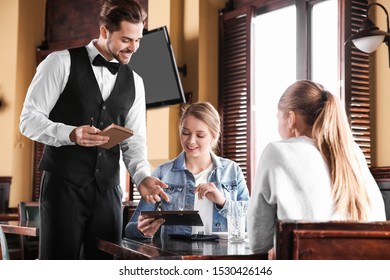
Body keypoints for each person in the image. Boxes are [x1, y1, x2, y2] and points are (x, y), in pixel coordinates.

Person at [19, 0, 168, 259]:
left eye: (138, 40)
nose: (133, 48)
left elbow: (135, 141)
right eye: (126, 40)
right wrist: (70, 133)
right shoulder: (59, 63)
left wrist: (142, 176)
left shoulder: (136, 82)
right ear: (103, 31)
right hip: (63, 187)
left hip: (108, 191)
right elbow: (28, 120)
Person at [247, 80, 386, 259]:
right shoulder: (353, 153)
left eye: (278, 117)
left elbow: (259, 242)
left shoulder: (277, 152)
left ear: (291, 118)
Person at [125, 102, 250, 239]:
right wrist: (141, 230)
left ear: (214, 136)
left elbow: (250, 222)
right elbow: (130, 229)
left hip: (221, 258)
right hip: (176, 258)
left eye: (200, 135)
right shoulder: (162, 173)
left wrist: (222, 202)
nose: (191, 141)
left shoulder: (232, 170)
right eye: (185, 133)